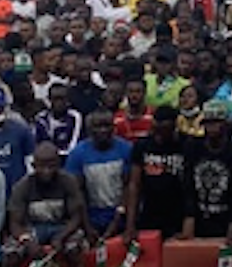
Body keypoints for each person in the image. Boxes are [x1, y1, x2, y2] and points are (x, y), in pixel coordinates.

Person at [181, 100, 232, 243]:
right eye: (208, 123)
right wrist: (189, 217)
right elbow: (188, 185)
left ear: (225, 124)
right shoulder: (193, 148)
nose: (211, 127)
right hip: (199, 217)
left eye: (216, 122)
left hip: (226, 217)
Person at [65, 108, 132, 242]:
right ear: (89, 129)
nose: (103, 130)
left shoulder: (127, 149)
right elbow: (77, 193)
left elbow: (129, 187)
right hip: (90, 220)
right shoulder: (77, 154)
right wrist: (87, 227)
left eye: (106, 125)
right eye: (98, 126)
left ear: (113, 127)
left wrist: (117, 219)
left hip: (121, 218)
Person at [124, 107, 185, 242]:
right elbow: (134, 185)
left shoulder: (185, 144)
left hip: (177, 213)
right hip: (149, 212)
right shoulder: (142, 145)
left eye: (166, 130)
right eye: (159, 129)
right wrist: (130, 225)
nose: (161, 135)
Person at [34, 83, 83, 158]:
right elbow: (36, 143)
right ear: (49, 99)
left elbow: (73, 146)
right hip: (45, 159)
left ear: (68, 99)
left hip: (67, 158)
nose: (59, 102)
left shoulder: (75, 117)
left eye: (62, 98)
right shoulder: (41, 118)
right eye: (55, 99)